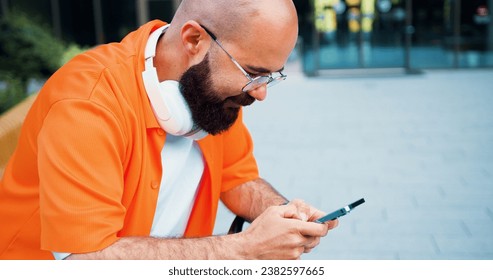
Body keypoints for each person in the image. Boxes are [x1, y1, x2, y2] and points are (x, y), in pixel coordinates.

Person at [0, 0, 338, 260]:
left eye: (270, 77)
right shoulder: (87, 104)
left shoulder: (218, 93)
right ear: (194, 39)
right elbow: (84, 257)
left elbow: (238, 179)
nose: (260, 92)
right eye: (253, 72)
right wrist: (243, 248)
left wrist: (284, 215)